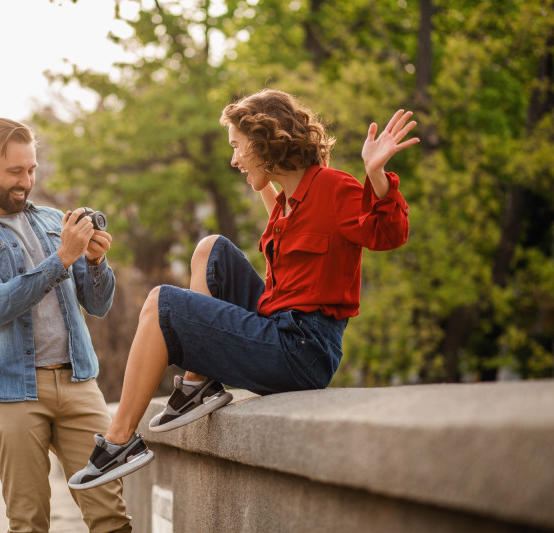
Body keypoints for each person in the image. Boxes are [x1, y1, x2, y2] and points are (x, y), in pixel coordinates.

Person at [68, 88, 419, 490]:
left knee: (161, 303)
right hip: (281, 328)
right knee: (210, 249)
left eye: (237, 146)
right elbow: (297, 234)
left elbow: (388, 233)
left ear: (263, 141)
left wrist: (375, 175)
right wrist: (267, 184)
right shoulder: (289, 200)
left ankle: (120, 441)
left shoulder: (332, 187)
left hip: (302, 349)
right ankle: (197, 384)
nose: (233, 159)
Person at [0, 118, 132, 533]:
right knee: (28, 523)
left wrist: (95, 261)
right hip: (13, 393)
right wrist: (62, 258)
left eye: (31, 170)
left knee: (111, 517)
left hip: (79, 383)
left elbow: (97, 305)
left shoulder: (49, 221)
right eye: (14, 172)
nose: (25, 182)